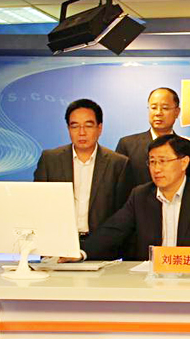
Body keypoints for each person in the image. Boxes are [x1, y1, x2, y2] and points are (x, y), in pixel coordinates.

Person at [82, 135, 190, 261]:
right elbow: (113, 231)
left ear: (184, 163)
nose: (156, 169)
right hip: (149, 279)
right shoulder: (140, 196)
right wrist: (81, 252)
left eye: (163, 161)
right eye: (152, 162)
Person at [34, 98, 131, 243]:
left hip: (102, 246)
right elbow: (39, 204)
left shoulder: (118, 164)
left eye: (88, 125)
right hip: (58, 242)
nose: (81, 132)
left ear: (99, 128)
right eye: (75, 126)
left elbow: (122, 215)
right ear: (68, 129)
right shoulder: (50, 159)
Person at [116, 87, 190, 187]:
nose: (158, 113)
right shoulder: (127, 146)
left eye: (165, 108)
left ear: (177, 112)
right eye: (153, 108)